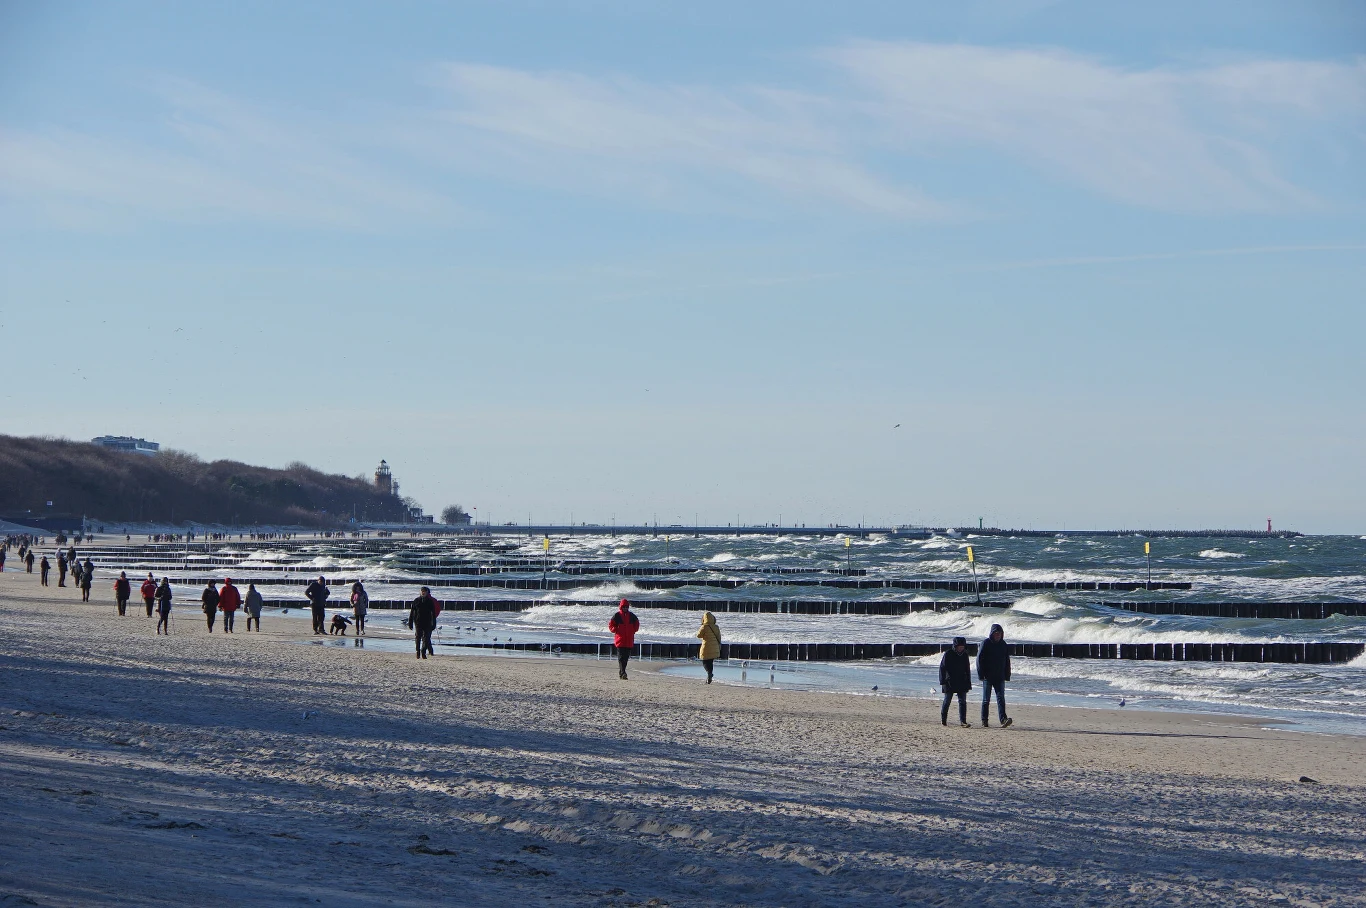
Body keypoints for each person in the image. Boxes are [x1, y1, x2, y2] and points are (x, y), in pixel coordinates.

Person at [977, 623, 1013, 728]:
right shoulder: (986, 643)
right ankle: (984, 721)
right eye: (996, 634)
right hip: (987, 677)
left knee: (1001, 698)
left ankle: (1003, 720)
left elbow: (1007, 660)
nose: (998, 636)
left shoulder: (1003, 644)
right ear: (992, 634)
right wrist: (981, 674)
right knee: (985, 700)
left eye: (1000, 634)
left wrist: (1007, 674)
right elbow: (979, 659)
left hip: (999, 676)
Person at [939, 636, 973, 727]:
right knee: (947, 700)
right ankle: (943, 719)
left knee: (962, 701)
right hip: (949, 681)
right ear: (955, 646)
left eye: (962, 646)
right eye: (959, 646)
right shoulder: (948, 654)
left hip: (962, 681)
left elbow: (967, 669)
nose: (961, 648)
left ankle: (963, 721)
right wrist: (942, 681)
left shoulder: (965, 655)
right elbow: (942, 668)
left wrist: (968, 683)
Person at [608, 598, 640, 680]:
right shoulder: (617, 615)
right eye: (624, 607)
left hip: (629, 640)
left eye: (626, 607)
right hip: (620, 640)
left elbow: (637, 623)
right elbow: (611, 625)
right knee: (621, 657)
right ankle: (623, 673)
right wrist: (615, 630)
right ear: (621, 607)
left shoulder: (632, 616)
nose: (625, 608)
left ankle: (622, 672)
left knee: (625, 658)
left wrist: (634, 630)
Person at [407, 586, 440, 659]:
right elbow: (412, 612)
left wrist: (434, 623)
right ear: (420, 592)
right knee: (418, 637)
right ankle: (417, 651)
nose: (423, 592)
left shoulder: (430, 601)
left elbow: (433, 613)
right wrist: (410, 622)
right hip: (418, 622)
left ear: (427, 592)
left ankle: (423, 652)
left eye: (424, 591)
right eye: (422, 591)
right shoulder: (416, 600)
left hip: (427, 622)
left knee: (426, 638)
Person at [695, 611, 721, 683]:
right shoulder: (716, 627)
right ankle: (709, 675)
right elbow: (719, 637)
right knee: (710, 661)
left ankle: (709, 674)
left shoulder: (704, 627)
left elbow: (698, 636)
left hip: (706, 646)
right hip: (715, 646)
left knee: (705, 661)